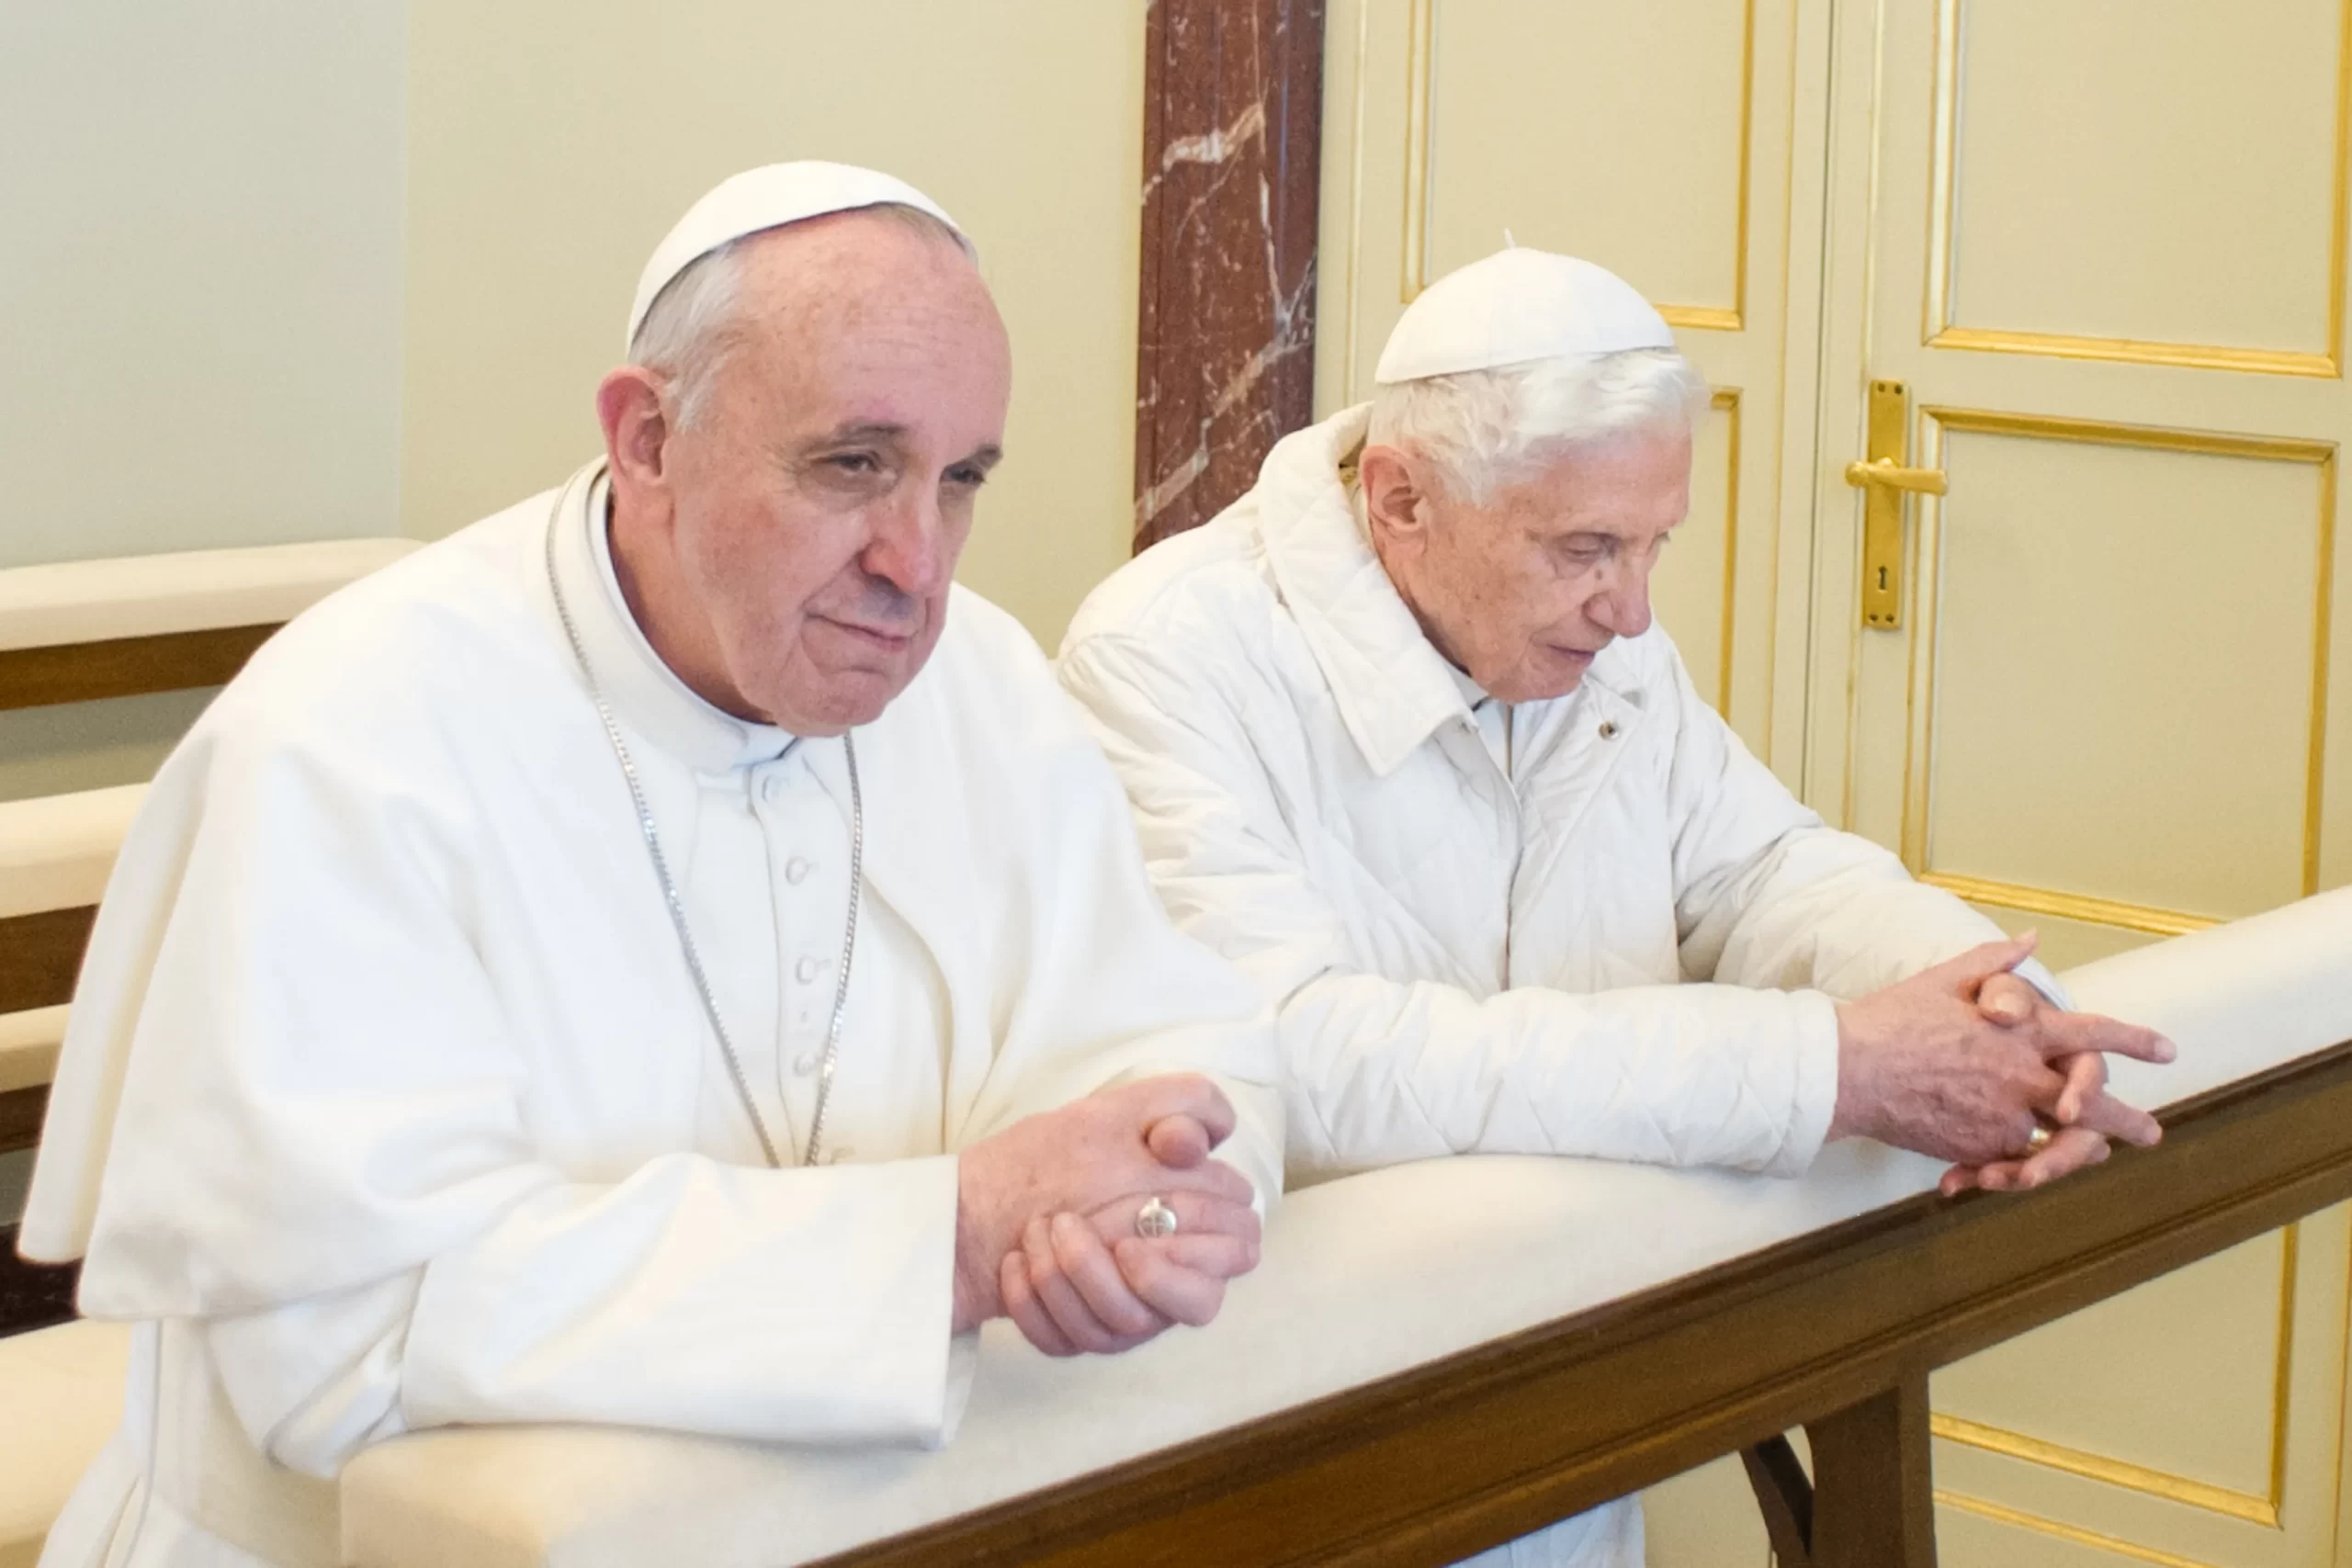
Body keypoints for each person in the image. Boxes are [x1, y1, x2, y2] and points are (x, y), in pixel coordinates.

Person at [20, 163, 1282, 1568]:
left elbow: (1168, 1029)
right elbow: (347, 1333)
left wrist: (1148, 1190)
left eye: (961, 479)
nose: (918, 565)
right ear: (648, 439)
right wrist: (950, 1238)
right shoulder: (349, 734)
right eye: (852, 464)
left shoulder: (977, 677)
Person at [1057, 245, 2174, 1566]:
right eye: (1585, 548)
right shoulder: (1165, 656)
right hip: (1308, 1430)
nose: (1634, 608)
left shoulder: (1599, 635)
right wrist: (1829, 1068)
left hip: (1576, 1387)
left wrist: (1995, 1004)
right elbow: (1294, 1056)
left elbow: (1762, 872)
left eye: (1653, 546)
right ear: (1401, 499)